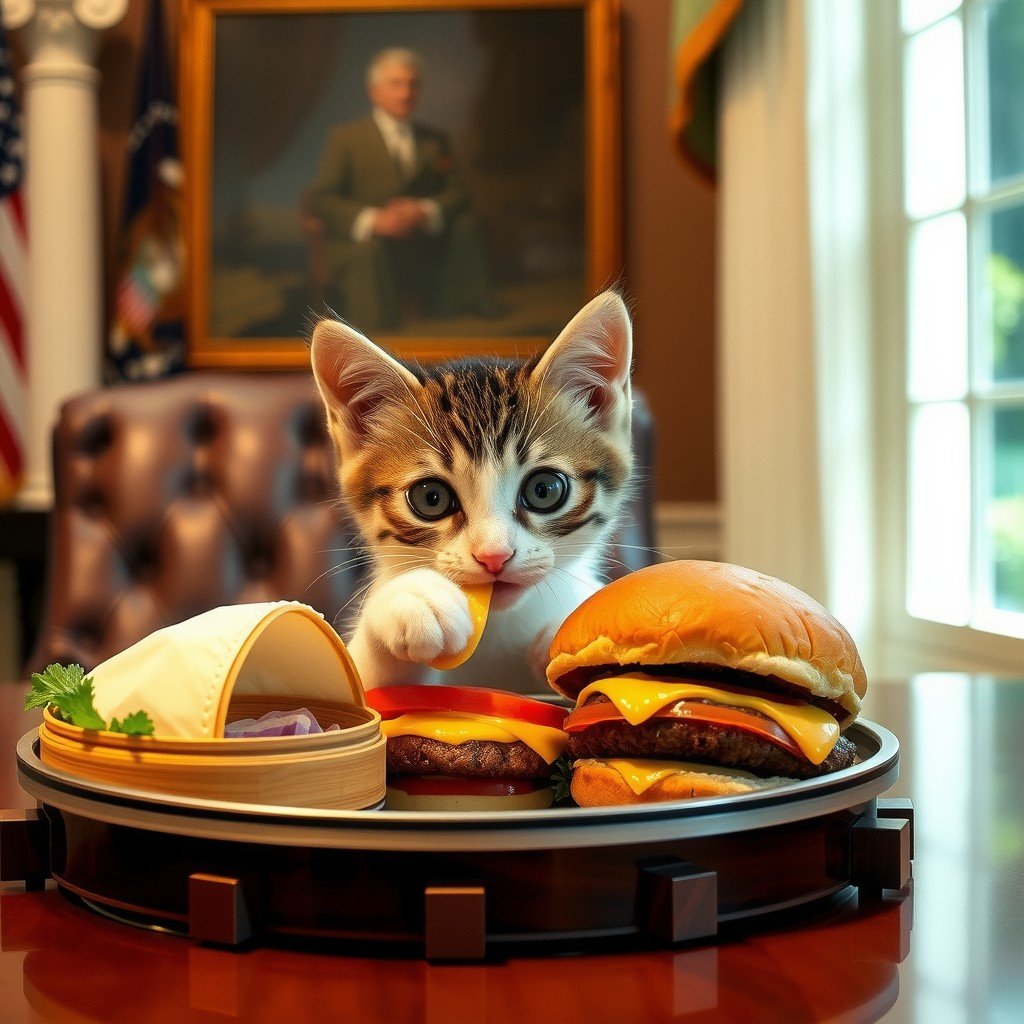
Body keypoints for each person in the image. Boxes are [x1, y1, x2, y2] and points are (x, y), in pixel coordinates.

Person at [306, 47, 491, 331]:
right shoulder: (345, 139)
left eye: (412, 85)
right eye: (396, 84)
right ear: (374, 91)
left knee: (465, 224)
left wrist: (423, 211)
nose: (406, 93)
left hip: (419, 235)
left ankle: (461, 316)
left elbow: (458, 193)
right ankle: (378, 333)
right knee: (366, 253)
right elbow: (322, 199)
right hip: (365, 239)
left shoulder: (434, 139)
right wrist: (374, 220)